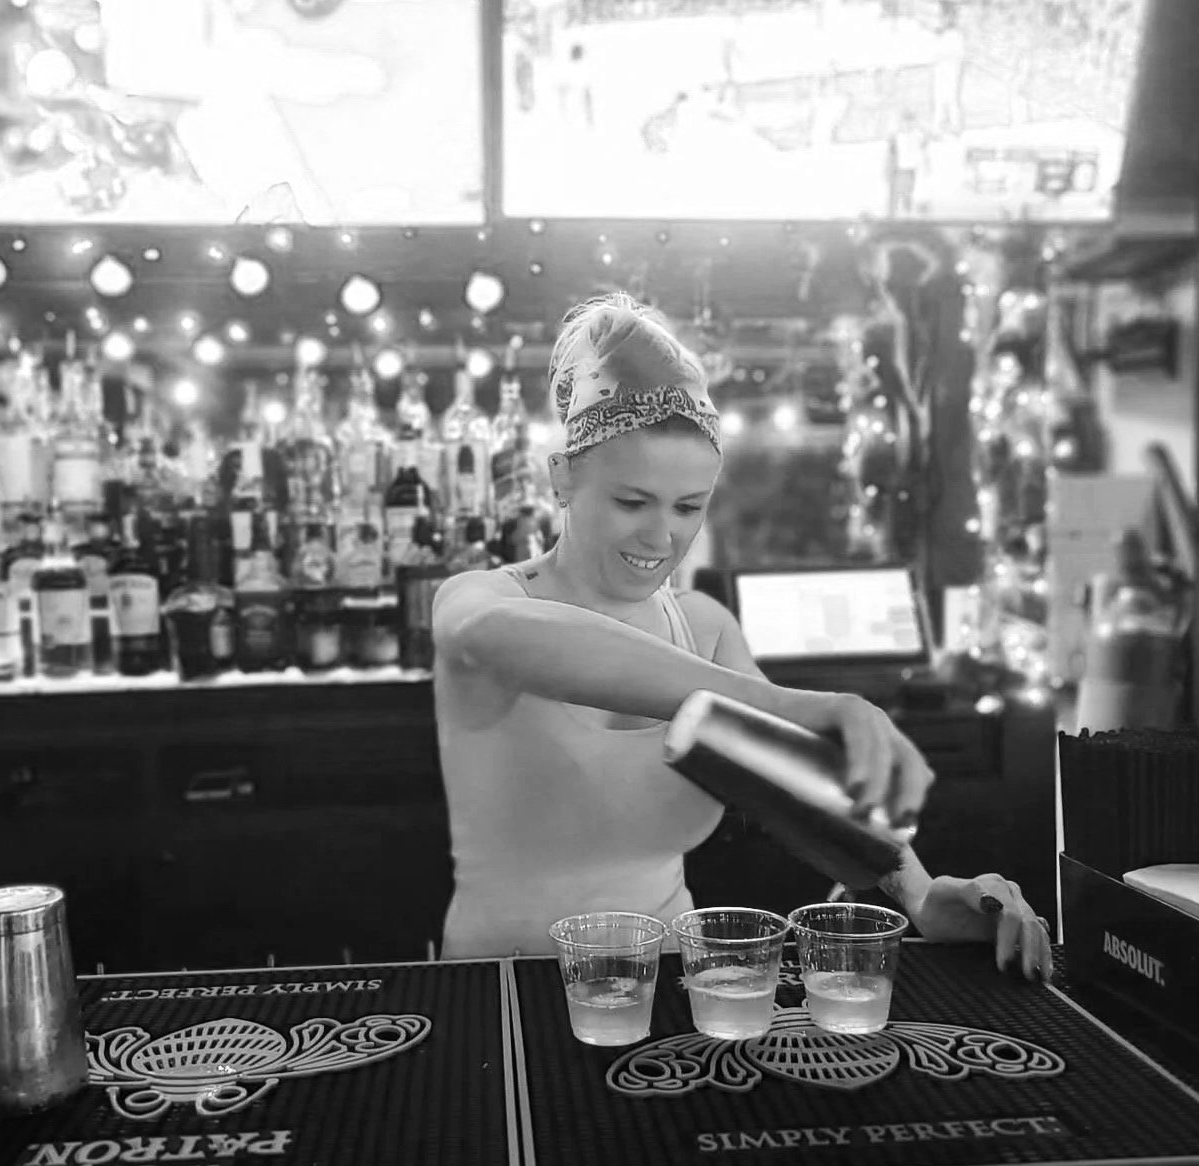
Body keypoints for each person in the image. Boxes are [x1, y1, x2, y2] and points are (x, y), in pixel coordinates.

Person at [432, 294, 1051, 979]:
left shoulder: (702, 628)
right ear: (562, 478)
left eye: (688, 507)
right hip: (495, 990)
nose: (661, 536)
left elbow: (799, 781)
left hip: (665, 985)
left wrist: (923, 893)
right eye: (631, 502)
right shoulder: (480, 603)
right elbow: (519, 642)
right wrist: (804, 704)